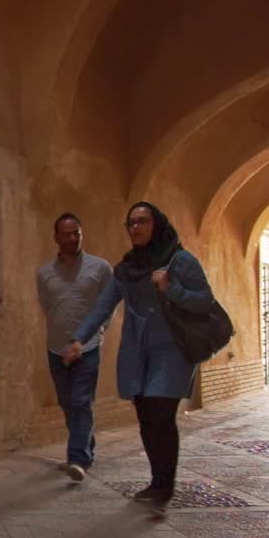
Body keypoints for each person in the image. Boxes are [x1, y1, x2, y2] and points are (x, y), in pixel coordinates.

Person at [63, 202, 216, 510]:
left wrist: (171, 288)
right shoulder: (126, 269)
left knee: (161, 414)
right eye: (131, 223)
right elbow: (103, 306)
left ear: (156, 225)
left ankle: (164, 488)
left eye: (143, 222)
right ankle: (157, 481)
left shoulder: (181, 261)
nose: (136, 228)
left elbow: (205, 301)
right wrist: (80, 340)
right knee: (146, 418)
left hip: (173, 352)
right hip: (137, 354)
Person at [36, 213, 112, 482]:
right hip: (56, 348)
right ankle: (83, 449)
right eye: (66, 234)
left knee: (81, 401)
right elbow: (47, 306)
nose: (72, 239)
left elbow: (107, 306)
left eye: (76, 233)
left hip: (88, 347)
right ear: (56, 237)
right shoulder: (45, 273)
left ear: (82, 234)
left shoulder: (100, 268)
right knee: (68, 403)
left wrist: (95, 334)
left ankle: (78, 459)